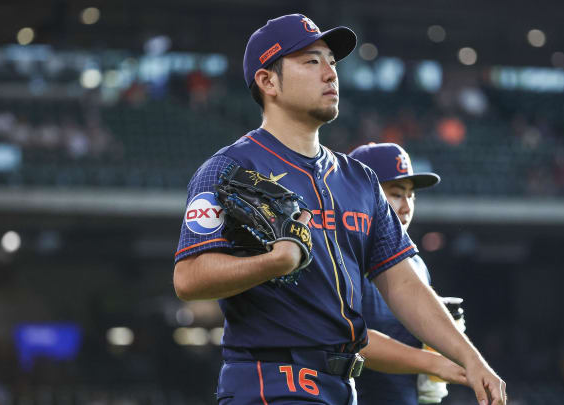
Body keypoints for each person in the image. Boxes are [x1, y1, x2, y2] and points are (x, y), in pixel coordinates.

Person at [172, 13, 506, 404]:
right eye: (311, 61)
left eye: (331, 61)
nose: (330, 73)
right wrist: (273, 262)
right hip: (270, 382)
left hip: (343, 386)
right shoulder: (229, 169)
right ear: (268, 82)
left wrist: (470, 358)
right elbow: (188, 279)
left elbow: (402, 283)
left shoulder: (360, 179)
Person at [349, 142, 462, 404]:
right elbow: (349, 340)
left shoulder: (417, 265)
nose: (407, 206)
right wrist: (432, 362)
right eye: (397, 194)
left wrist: (440, 336)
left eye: (411, 195)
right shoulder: (342, 256)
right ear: (359, 194)